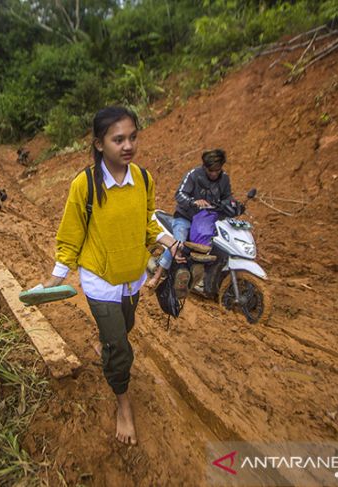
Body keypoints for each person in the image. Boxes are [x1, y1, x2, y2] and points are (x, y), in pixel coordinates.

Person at [39, 106, 183, 445]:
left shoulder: (143, 179)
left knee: (123, 330)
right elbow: (71, 234)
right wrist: (57, 277)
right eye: (118, 139)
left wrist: (164, 238)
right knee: (121, 347)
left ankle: (109, 345)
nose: (128, 145)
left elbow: (146, 220)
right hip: (99, 281)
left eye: (132, 137)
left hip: (132, 278)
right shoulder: (84, 184)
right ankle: (123, 404)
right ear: (99, 143)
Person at [145, 149, 232, 292]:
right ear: (205, 167)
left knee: (211, 247)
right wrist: (193, 202)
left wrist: (229, 205)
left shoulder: (225, 179)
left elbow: (228, 197)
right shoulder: (194, 175)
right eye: (211, 170)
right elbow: (179, 194)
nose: (214, 173)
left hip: (207, 221)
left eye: (217, 170)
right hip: (185, 217)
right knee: (177, 244)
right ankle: (157, 276)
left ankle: (200, 278)